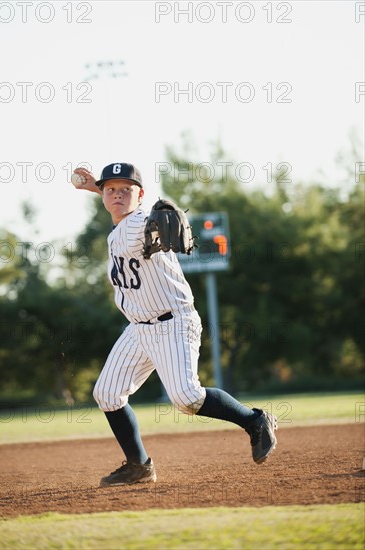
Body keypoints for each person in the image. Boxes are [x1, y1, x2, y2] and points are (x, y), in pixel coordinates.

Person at [73, 162, 278, 487]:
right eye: (110, 189)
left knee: (186, 398)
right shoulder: (119, 225)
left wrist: (150, 220)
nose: (117, 195)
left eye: (126, 190)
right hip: (139, 329)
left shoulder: (139, 222)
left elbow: (145, 222)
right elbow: (122, 201)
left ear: (140, 196)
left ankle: (254, 421)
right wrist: (93, 187)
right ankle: (139, 465)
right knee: (108, 394)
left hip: (173, 323)